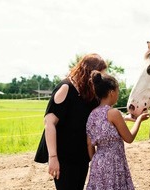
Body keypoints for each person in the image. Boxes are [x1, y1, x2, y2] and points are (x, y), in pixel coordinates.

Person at [43, 53, 107, 190]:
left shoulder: (90, 92)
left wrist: (125, 118)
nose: (101, 78)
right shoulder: (66, 88)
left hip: (81, 154)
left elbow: (103, 114)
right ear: (89, 71)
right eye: (100, 74)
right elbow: (49, 123)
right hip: (63, 156)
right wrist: (53, 157)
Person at [86, 71, 150, 190]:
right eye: (117, 91)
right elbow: (129, 138)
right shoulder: (113, 113)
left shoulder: (92, 114)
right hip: (114, 163)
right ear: (111, 93)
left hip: (97, 164)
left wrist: (96, 161)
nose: (118, 94)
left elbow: (89, 144)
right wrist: (139, 120)